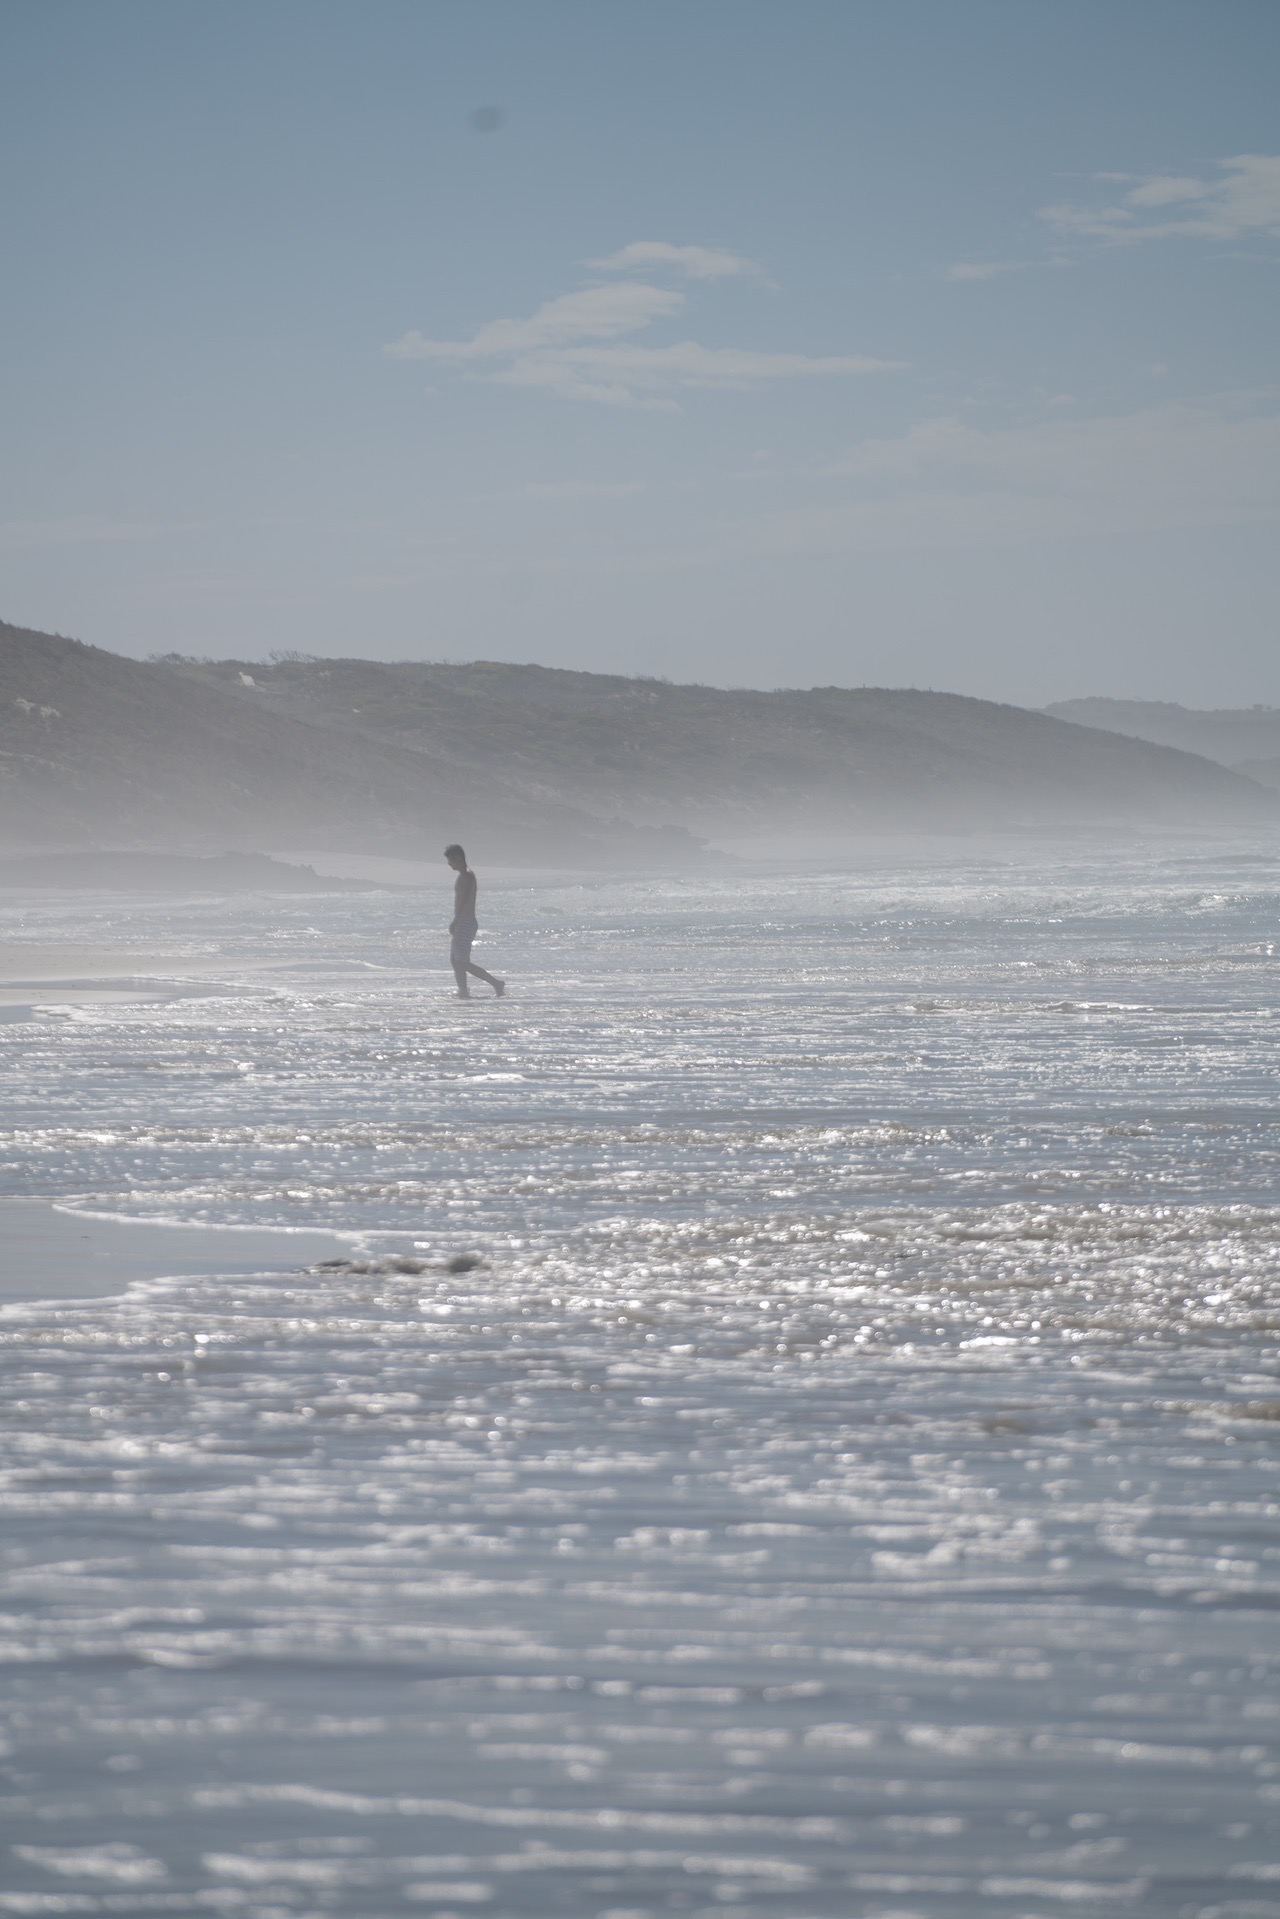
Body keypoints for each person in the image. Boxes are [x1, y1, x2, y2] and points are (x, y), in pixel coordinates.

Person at [444, 844, 505, 999]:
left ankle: (496, 983)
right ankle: (463, 991)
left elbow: (465, 901)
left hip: (465, 922)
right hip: (463, 922)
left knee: (461, 962)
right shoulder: (463, 875)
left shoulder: (468, 876)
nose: (448, 863)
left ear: (457, 858)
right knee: (455, 961)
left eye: (450, 860)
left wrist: (455, 920)